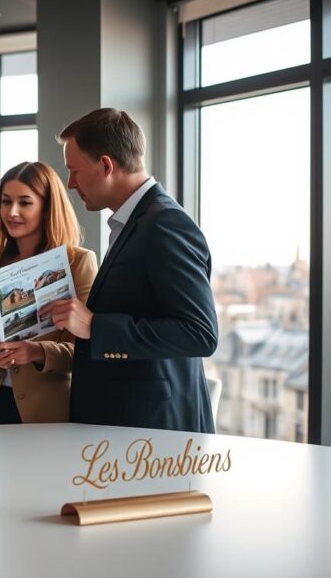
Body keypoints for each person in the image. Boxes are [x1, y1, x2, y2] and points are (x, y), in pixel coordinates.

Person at [42, 108, 218, 433]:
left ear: (106, 165)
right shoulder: (137, 220)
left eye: (74, 171)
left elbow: (200, 334)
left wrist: (95, 326)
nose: (70, 183)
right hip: (131, 429)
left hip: (153, 435)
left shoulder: (165, 224)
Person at [0, 161, 96, 424]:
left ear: (47, 207)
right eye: (5, 201)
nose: (12, 212)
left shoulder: (77, 262)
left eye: (25, 203)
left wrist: (37, 352)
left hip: (48, 413)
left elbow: (85, 349)